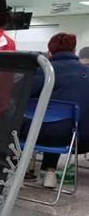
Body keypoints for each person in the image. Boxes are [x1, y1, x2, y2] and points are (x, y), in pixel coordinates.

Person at [27, 32, 89, 188]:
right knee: (63, 123)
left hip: (40, 136)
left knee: (44, 121)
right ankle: (49, 173)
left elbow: (23, 97)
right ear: (74, 51)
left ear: (49, 52)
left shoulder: (43, 72)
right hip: (81, 139)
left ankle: (19, 171)